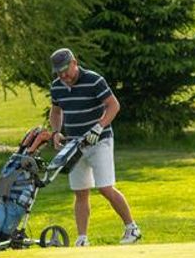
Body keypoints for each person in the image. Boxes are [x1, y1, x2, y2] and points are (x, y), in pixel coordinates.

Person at [47, 48, 142, 247]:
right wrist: (55, 132)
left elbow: (113, 105)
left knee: (105, 188)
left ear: (74, 63)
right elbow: (56, 112)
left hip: (100, 141)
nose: (63, 76)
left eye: (65, 70)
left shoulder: (94, 80)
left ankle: (132, 228)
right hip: (74, 145)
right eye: (58, 72)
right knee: (80, 192)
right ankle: (82, 238)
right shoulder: (57, 86)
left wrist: (99, 127)